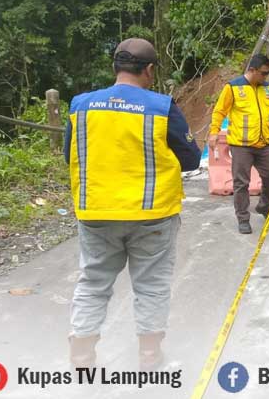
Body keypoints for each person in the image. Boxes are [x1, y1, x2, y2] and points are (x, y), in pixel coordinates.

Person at [64, 38, 201, 370]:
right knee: (151, 286)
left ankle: (82, 359)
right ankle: (150, 357)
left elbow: (70, 153)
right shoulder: (161, 106)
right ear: (150, 70)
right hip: (152, 214)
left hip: (96, 211)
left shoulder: (80, 105)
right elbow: (191, 159)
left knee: (93, 284)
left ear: (115, 67)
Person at [208, 54, 269, 234]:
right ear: (252, 70)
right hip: (241, 145)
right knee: (241, 183)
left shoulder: (268, 89)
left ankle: (264, 206)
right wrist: (214, 132)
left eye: (268, 73)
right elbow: (219, 111)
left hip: (264, 144)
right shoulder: (233, 88)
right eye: (263, 73)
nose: (266, 77)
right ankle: (243, 218)